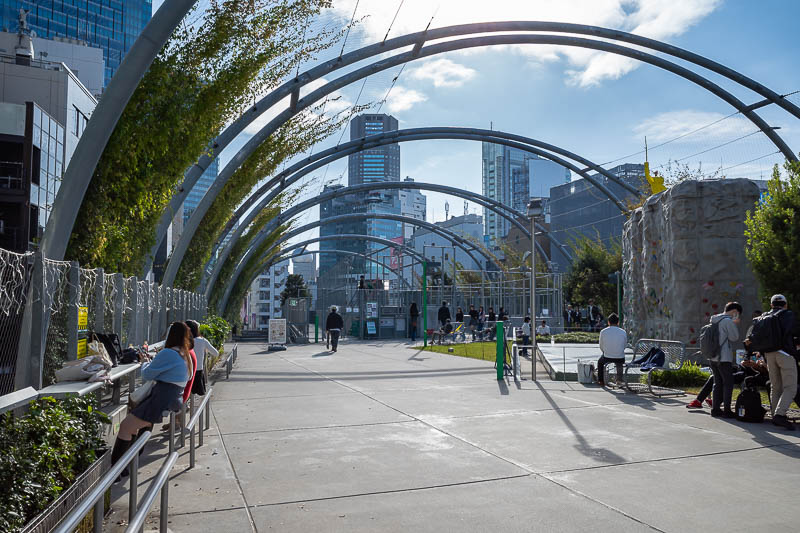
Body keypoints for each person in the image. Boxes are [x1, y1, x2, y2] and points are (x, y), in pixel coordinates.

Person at [111, 322, 193, 467]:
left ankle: (115, 472)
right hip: (172, 399)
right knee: (135, 427)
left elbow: (147, 374)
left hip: (160, 400)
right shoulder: (184, 354)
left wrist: (145, 362)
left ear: (170, 335)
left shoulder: (168, 353)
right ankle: (128, 465)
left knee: (125, 427)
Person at [688, 310, 763, 409]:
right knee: (715, 377)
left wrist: (756, 365)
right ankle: (699, 401)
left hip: (754, 371)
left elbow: (765, 367)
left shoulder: (765, 339)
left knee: (726, 379)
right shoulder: (751, 336)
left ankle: (717, 402)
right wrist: (745, 360)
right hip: (745, 367)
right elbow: (747, 353)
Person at [761, 295, 797, 430]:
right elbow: (794, 332)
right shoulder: (788, 315)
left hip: (769, 354)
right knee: (790, 387)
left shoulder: (765, 316)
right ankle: (780, 415)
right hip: (785, 354)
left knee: (775, 386)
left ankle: (776, 415)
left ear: (771, 305)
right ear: (785, 304)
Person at [707, 301, 743, 418]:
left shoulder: (714, 319)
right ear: (735, 312)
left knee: (717, 383)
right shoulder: (728, 321)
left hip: (712, 356)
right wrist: (735, 323)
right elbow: (735, 337)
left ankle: (715, 409)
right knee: (728, 383)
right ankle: (727, 410)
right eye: (738, 314)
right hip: (724, 357)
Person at [186, 319, 218, 396]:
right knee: (196, 393)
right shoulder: (203, 341)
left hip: (186, 371)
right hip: (198, 371)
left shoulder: (183, 341)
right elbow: (216, 353)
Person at [597, 313, 627, 386]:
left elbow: (601, 345)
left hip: (607, 356)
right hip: (620, 357)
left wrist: (605, 351)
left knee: (600, 362)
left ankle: (601, 381)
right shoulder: (623, 332)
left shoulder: (603, 331)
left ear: (608, 322)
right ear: (618, 322)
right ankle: (619, 379)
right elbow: (624, 345)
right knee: (620, 361)